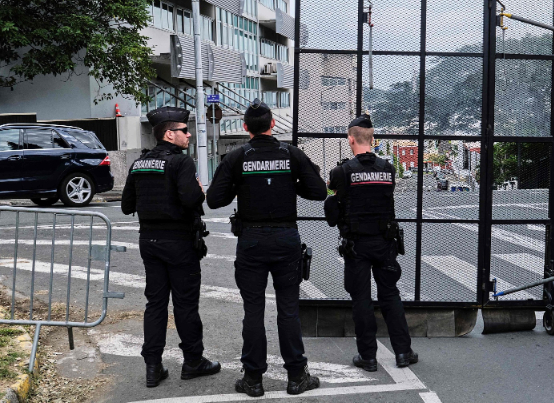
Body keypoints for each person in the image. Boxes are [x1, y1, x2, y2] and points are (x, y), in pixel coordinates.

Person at [207, 99, 326, 397]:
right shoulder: (292, 154)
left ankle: (253, 379)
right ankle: (297, 376)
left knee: (253, 311)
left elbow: (214, 199)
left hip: (252, 241)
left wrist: (239, 185)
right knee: (288, 310)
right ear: (272, 125)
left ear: (246, 128)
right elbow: (319, 191)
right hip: (286, 238)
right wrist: (290, 182)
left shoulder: (236, 157)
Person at [121, 106, 220, 388]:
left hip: (149, 242)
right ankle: (193, 362)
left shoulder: (138, 164)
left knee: (155, 304)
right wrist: (199, 191)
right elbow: (191, 201)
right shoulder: (181, 163)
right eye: (184, 131)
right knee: (185, 304)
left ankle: (153, 366)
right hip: (179, 242)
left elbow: (127, 205)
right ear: (169, 134)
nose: (188, 135)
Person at [326, 114, 417, 372]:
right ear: (373, 140)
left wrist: (333, 192)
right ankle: (403, 352)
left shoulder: (342, 172)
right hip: (385, 243)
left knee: (362, 300)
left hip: (356, 246)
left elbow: (333, 216)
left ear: (350, 139)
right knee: (390, 295)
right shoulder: (388, 168)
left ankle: (368, 357)